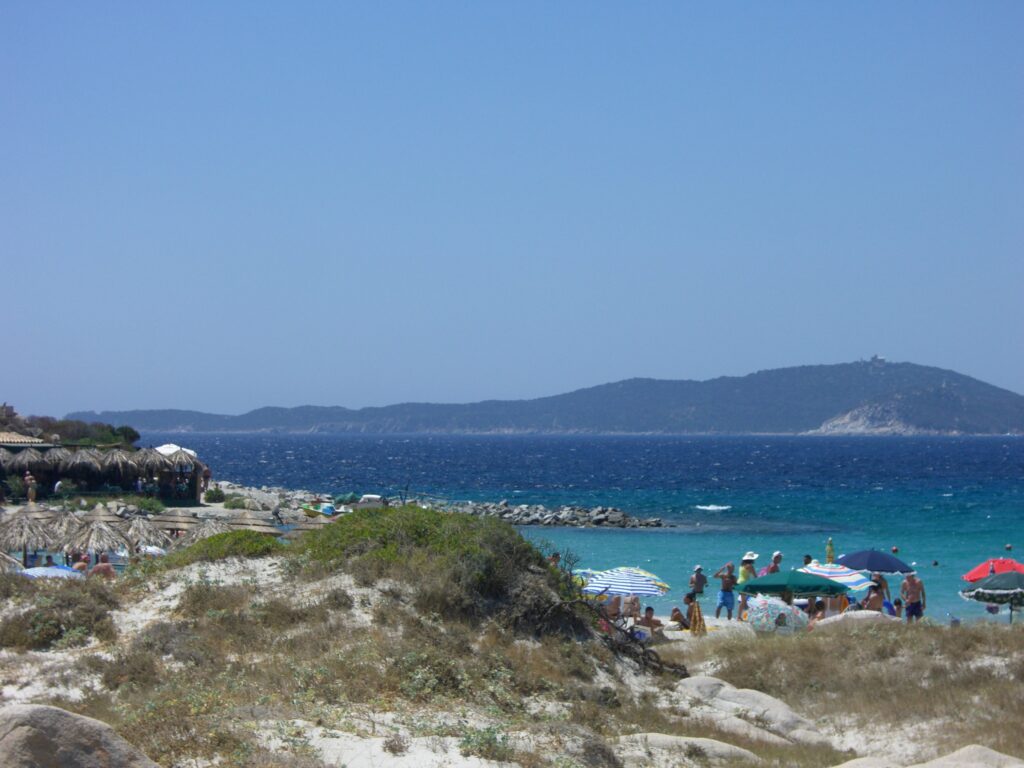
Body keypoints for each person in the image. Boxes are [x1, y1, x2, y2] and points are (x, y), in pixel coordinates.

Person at [737, 552, 758, 619]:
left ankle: (742, 616)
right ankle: (740, 617)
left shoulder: (741, 565)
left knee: (744, 601)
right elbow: (755, 576)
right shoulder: (750, 566)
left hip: (739, 583)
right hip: (744, 584)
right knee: (747, 600)